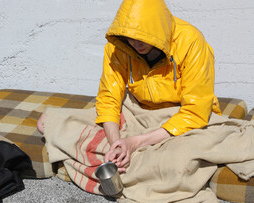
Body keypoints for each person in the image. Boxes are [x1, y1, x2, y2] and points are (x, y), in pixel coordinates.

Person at [38, 0, 222, 173]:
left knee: (177, 161)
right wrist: (116, 143)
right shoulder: (119, 46)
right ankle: (124, 155)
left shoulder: (191, 40)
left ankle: (136, 154)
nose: (135, 43)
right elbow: (109, 99)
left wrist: (136, 142)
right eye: (130, 37)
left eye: (142, 36)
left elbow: (195, 111)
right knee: (48, 123)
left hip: (179, 115)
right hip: (137, 111)